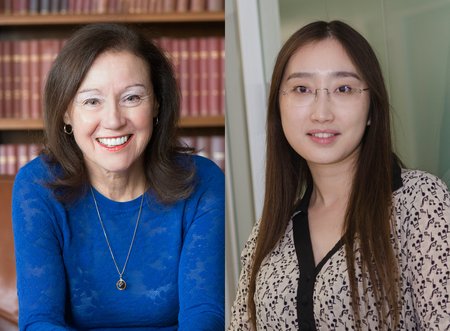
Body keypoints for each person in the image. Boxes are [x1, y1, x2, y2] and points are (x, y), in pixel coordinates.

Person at [228, 20, 450, 330]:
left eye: (343, 88)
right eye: (301, 89)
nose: (322, 112)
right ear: (278, 106)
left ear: (372, 107)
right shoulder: (267, 234)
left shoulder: (421, 203)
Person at [12, 23, 224, 330]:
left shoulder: (202, 182)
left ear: (156, 105)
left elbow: (205, 316)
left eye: (132, 98)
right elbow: (39, 321)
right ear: (67, 113)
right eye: (91, 101)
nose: (113, 120)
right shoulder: (36, 186)